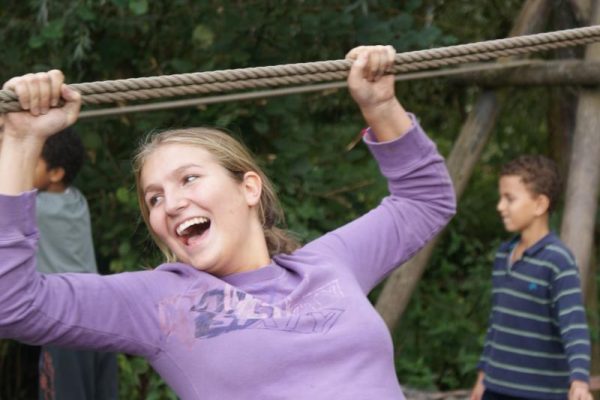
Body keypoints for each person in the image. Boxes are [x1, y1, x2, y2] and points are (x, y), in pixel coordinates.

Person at [0, 46, 456, 400]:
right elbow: (12, 303)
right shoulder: (161, 302)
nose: (171, 204)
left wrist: (381, 105)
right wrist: (20, 143)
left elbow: (425, 201)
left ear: (249, 188)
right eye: (154, 198)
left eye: (189, 179)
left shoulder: (329, 263)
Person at [470, 155, 592, 400]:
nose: (500, 206)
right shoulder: (504, 255)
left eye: (509, 199)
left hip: (541, 394)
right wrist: (482, 377)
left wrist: (579, 380)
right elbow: (497, 323)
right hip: (495, 388)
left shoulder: (558, 260)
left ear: (540, 205)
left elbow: (574, 325)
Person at [33, 127, 118, 400]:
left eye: (30, 159)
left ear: (55, 173)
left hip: (66, 319)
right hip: (102, 315)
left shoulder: (35, 208)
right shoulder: (76, 200)